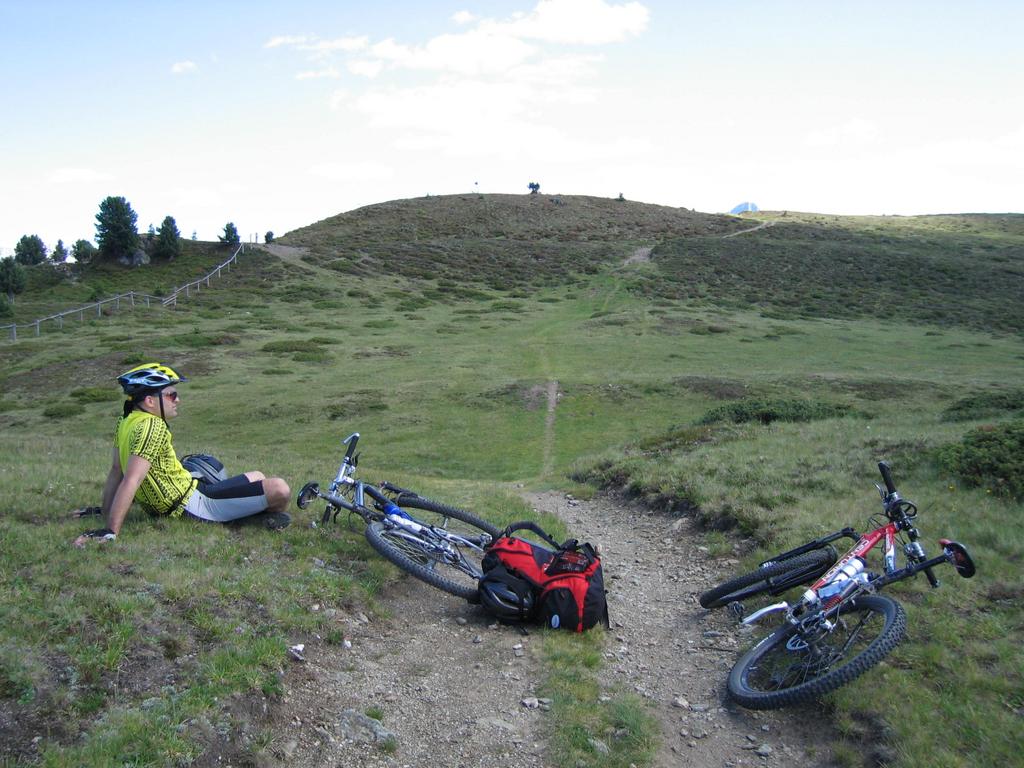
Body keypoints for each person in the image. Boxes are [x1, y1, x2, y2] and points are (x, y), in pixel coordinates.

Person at [73, 363, 291, 547]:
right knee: (280, 490)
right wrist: (110, 530)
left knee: (257, 475)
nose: (177, 400)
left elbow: (116, 471)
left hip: (192, 490)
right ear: (150, 401)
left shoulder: (127, 420)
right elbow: (131, 479)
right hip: (191, 506)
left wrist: (105, 510)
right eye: (171, 395)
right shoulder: (152, 425)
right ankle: (251, 520)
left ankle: (248, 512)